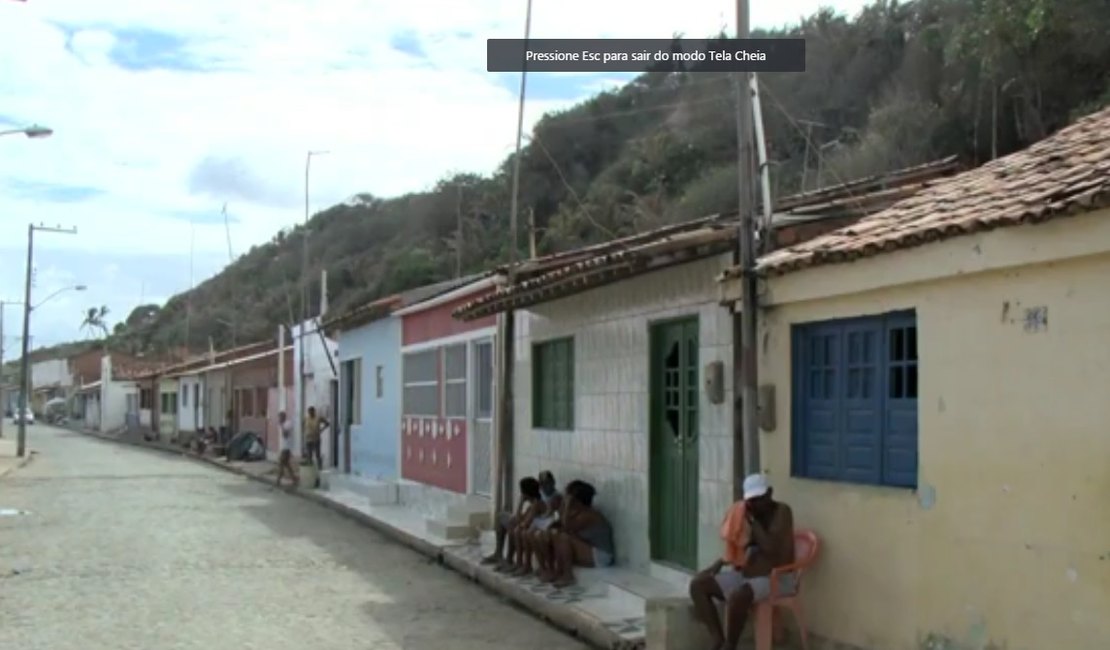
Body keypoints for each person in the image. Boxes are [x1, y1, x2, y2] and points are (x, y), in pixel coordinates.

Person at [688, 474, 795, 650]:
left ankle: (730, 646)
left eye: (759, 499)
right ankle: (717, 639)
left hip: (777, 578)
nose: (754, 505)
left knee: (739, 595)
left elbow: (771, 548)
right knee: (699, 584)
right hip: (748, 574)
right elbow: (739, 545)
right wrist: (720, 562)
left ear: (769, 493)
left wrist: (754, 523)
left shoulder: (782, 512)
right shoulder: (746, 515)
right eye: (751, 501)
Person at [535, 480, 614, 588]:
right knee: (551, 535)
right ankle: (552, 570)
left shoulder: (589, 515)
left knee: (563, 538)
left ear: (576, 501)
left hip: (601, 556)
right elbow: (559, 525)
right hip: (589, 551)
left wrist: (566, 505)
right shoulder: (580, 512)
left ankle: (568, 575)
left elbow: (566, 528)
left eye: (569, 499)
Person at [482, 476, 543, 567]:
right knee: (501, 517)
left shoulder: (537, 504)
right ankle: (498, 553)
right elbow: (520, 518)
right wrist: (520, 504)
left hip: (533, 531)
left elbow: (524, 522)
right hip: (527, 526)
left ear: (525, 493)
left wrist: (521, 502)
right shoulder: (532, 504)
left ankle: (510, 559)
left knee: (513, 527)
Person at [512, 470, 563, 577]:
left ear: (553, 482)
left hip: (551, 526)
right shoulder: (539, 498)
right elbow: (522, 519)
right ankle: (521, 563)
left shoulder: (556, 497)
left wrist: (523, 519)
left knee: (526, 532)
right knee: (519, 530)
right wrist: (521, 504)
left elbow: (548, 516)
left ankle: (537, 567)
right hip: (541, 524)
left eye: (548, 482)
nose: (545, 486)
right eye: (543, 483)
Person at [275, 410, 299, 488]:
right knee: (286, 464)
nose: (279, 419)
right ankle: (294, 479)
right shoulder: (283, 424)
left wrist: (281, 426)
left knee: (281, 463)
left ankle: (278, 481)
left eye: (280, 417)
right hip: (284, 447)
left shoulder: (288, 424)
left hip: (287, 447)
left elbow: (285, 435)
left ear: (283, 417)